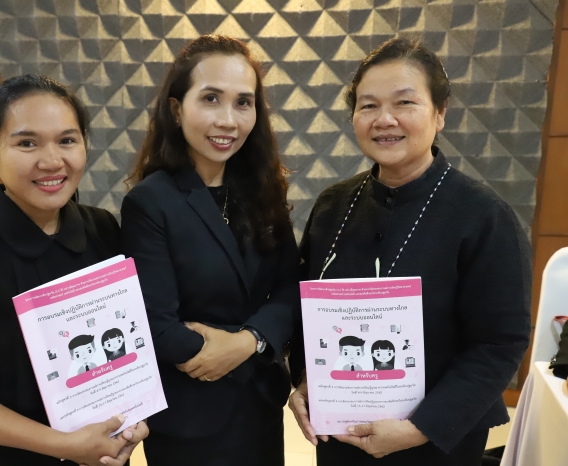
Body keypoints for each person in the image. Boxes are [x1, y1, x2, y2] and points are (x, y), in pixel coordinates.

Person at [288, 37, 531, 465]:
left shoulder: (483, 215)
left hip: (438, 440)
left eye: (404, 103)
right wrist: (307, 378)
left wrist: (420, 428)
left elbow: (499, 343)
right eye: (368, 105)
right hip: (341, 434)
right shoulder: (332, 205)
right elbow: (304, 306)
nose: (385, 119)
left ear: (440, 113)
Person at [0, 75, 148, 466]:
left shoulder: (102, 229)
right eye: (27, 143)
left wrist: (131, 421)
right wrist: (66, 446)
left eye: (67, 140)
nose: (52, 161)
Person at [121, 34, 300, 466]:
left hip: (260, 410)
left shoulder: (262, 189)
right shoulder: (150, 202)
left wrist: (247, 343)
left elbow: (290, 289)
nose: (228, 120)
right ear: (176, 109)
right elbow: (155, 325)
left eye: (243, 103)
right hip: (191, 418)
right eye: (211, 99)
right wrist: (231, 352)